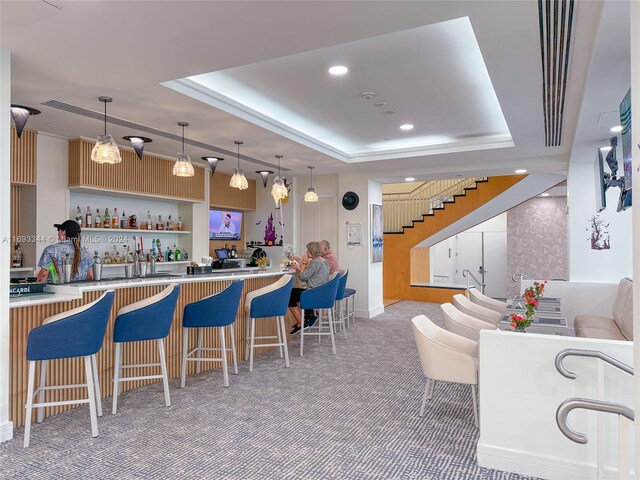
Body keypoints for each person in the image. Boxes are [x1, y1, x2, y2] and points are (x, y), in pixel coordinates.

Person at [288, 241, 329, 335]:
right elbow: (309, 272)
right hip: (321, 293)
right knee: (293, 293)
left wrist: (304, 263)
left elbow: (302, 277)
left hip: (313, 294)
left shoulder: (315, 262)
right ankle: (307, 316)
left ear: (311, 251)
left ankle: (301, 322)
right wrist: (301, 265)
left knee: (289, 294)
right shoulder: (323, 261)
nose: (306, 252)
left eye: (307, 250)